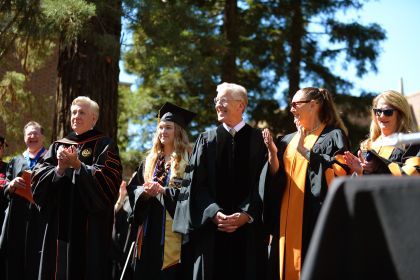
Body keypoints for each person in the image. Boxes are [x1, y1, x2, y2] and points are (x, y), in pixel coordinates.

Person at [173, 82, 269, 280]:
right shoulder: (206, 140)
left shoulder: (259, 141)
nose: (217, 105)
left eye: (223, 100)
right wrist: (214, 212)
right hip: (211, 233)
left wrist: (246, 213)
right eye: (216, 100)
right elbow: (195, 185)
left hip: (249, 234)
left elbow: (265, 182)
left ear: (240, 105)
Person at [27, 96, 122, 280]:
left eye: (82, 112)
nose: (76, 116)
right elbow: (38, 181)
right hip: (58, 228)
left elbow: (110, 182)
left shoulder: (104, 144)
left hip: (89, 230)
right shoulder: (57, 146)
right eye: (74, 112)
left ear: (93, 118)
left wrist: (79, 166)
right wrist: (60, 169)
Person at [263, 87, 350, 280]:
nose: (291, 109)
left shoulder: (333, 136)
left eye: (295, 104)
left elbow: (339, 173)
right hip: (284, 221)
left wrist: (306, 152)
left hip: (312, 218)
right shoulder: (287, 140)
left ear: (313, 105)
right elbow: (276, 180)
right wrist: (272, 155)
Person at [126, 102, 196, 280]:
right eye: (161, 127)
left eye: (168, 128)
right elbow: (133, 188)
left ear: (178, 131)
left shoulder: (188, 161)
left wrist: (164, 191)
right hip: (148, 228)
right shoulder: (149, 160)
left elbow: (191, 194)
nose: (163, 131)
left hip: (173, 232)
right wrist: (144, 192)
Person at [0, 122, 46, 280]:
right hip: (18, 220)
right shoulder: (16, 161)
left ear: (42, 136)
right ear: (24, 138)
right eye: (29, 134)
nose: (32, 137)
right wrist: (11, 185)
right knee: (15, 262)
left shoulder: (51, 159)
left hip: (42, 219)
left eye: (35, 133)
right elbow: (6, 187)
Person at [344, 90, 419, 176]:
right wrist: (360, 172)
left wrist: (379, 166)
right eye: (378, 111)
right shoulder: (367, 145)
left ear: (400, 114)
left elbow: (413, 175)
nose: (382, 116)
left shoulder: (411, 143)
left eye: (388, 112)